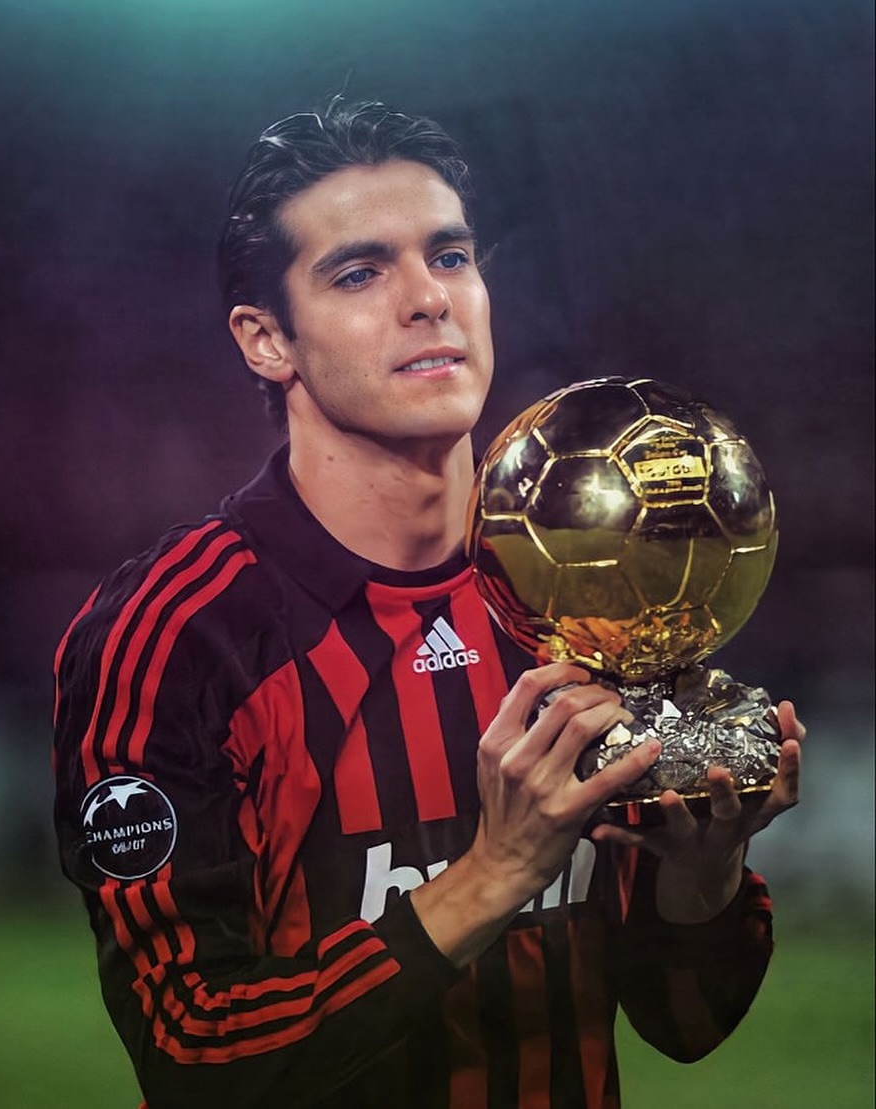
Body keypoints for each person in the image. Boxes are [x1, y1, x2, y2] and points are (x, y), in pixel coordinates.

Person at [53, 100, 804, 1109]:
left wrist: (699, 876)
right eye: (359, 273)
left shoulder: (591, 592)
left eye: (448, 257)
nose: (427, 299)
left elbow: (685, 1023)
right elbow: (193, 1052)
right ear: (266, 339)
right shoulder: (176, 634)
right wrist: (493, 872)